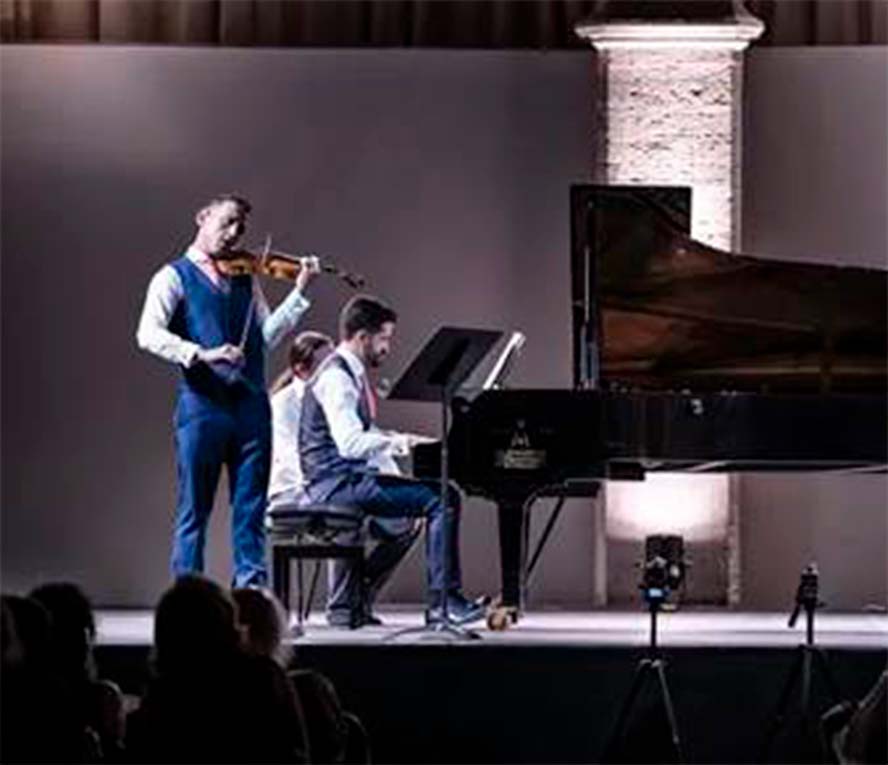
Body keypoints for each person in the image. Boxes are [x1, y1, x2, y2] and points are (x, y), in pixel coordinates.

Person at [136, 194, 320, 587]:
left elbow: (265, 337)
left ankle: (251, 594)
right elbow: (147, 334)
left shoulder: (245, 277)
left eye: (241, 227)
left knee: (251, 509)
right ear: (202, 217)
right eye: (228, 222)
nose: (234, 234)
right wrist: (200, 353)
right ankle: (188, 597)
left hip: (251, 408)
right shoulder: (173, 276)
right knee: (194, 508)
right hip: (202, 407)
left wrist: (298, 293)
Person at [299, 294, 485, 627]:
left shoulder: (348, 372)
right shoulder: (338, 378)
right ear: (362, 337)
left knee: (414, 514)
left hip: (341, 481)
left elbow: (361, 432)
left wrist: (402, 439)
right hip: (336, 485)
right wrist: (403, 443)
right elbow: (350, 443)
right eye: (384, 338)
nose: (388, 347)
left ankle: (350, 601)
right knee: (444, 498)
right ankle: (444, 604)